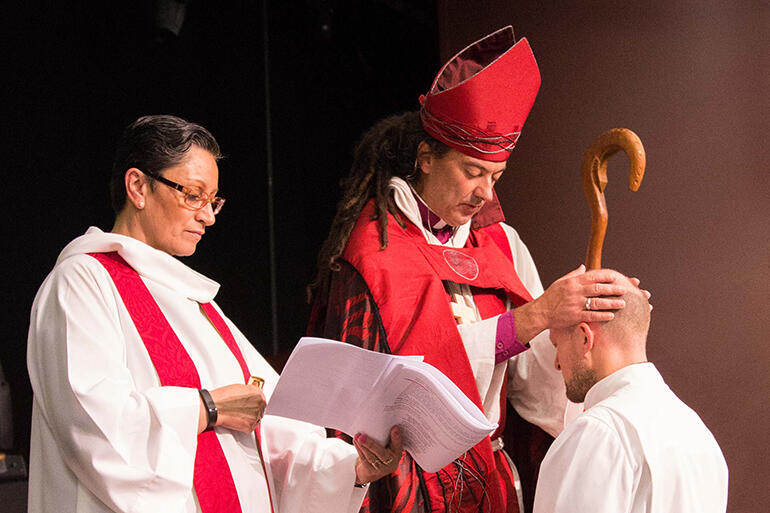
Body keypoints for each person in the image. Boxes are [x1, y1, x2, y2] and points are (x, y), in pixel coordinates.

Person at [307, 26, 637, 513]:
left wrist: (578, 326)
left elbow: (539, 387)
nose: (486, 193)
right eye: (472, 171)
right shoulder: (373, 252)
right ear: (425, 158)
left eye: (496, 176)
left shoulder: (499, 243)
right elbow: (395, 386)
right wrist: (535, 315)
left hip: (489, 480)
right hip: (402, 485)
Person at [27, 114, 403, 513]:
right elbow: (94, 426)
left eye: (213, 201)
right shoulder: (83, 281)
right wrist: (207, 408)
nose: (207, 216)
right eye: (193, 195)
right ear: (138, 186)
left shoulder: (195, 301)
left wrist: (351, 468)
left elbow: (268, 423)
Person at [533, 271, 728, 513]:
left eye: (556, 345)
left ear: (585, 338)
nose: (557, 363)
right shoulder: (698, 433)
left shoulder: (598, 432)